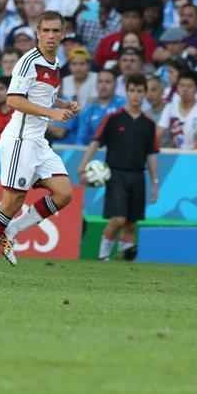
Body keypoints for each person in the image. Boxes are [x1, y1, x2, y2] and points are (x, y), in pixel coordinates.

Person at [0, 12, 80, 275]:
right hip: (20, 137)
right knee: (13, 200)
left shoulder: (54, 63)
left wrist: (63, 104)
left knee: (63, 193)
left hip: (38, 140)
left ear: (63, 34)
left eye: (56, 31)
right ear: (37, 33)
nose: (51, 36)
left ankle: (13, 229)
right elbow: (13, 100)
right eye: (46, 31)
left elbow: (42, 95)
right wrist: (53, 114)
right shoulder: (28, 61)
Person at [78, 75, 160, 261]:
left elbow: (152, 154)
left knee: (131, 223)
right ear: (127, 92)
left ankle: (126, 260)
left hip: (138, 176)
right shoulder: (113, 119)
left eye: (140, 91)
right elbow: (95, 143)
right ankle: (103, 256)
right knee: (118, 219)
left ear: (145, 94)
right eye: (132, 91)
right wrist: (82, 167)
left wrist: (155, 182)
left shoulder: (149, 124)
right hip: (116, 175)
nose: (136, 95)